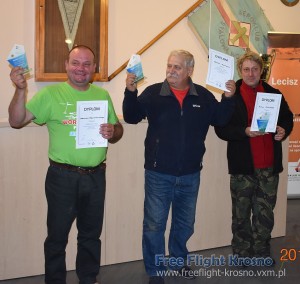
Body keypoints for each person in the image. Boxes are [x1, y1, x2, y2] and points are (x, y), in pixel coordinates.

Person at [8, 45, 123, 284]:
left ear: (94, 68)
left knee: (91, 235)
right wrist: (21, 90)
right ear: (66, 65)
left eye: (86, 64)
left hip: (96, 176)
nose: (80, 68)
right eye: (75, 63)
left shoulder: (102, 96)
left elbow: (117, 130)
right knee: (57, 237)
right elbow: (16, 121)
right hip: (62, 177)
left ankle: (89, 278)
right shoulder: (50, 95)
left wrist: (113, 131)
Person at [123, 49, 236, 284]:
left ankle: (178, 261)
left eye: (177, 67)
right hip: (158, 172)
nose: (171, 71)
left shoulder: (203, 97)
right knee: (154, 225)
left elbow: (221, 119)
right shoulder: (154, 93)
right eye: (169, 65)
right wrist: (131, 92)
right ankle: (155, 270)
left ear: (189, 70)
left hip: (190, 173)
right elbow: (131, 116)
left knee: (185, 223)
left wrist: (229, 97)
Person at [215, 51, 293, 264]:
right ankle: (241, 254)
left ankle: (261, 252)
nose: (251, 73)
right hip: (243, 167)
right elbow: (221, 129)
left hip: (268, 167)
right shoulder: (231, 96)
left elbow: (287, 118)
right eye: (246, 69)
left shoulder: (273, 93)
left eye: (255, 69)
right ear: (241, 71)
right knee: (241, 215)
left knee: (265, 215)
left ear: (261, 71)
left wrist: (283, 130)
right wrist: (245, 131)